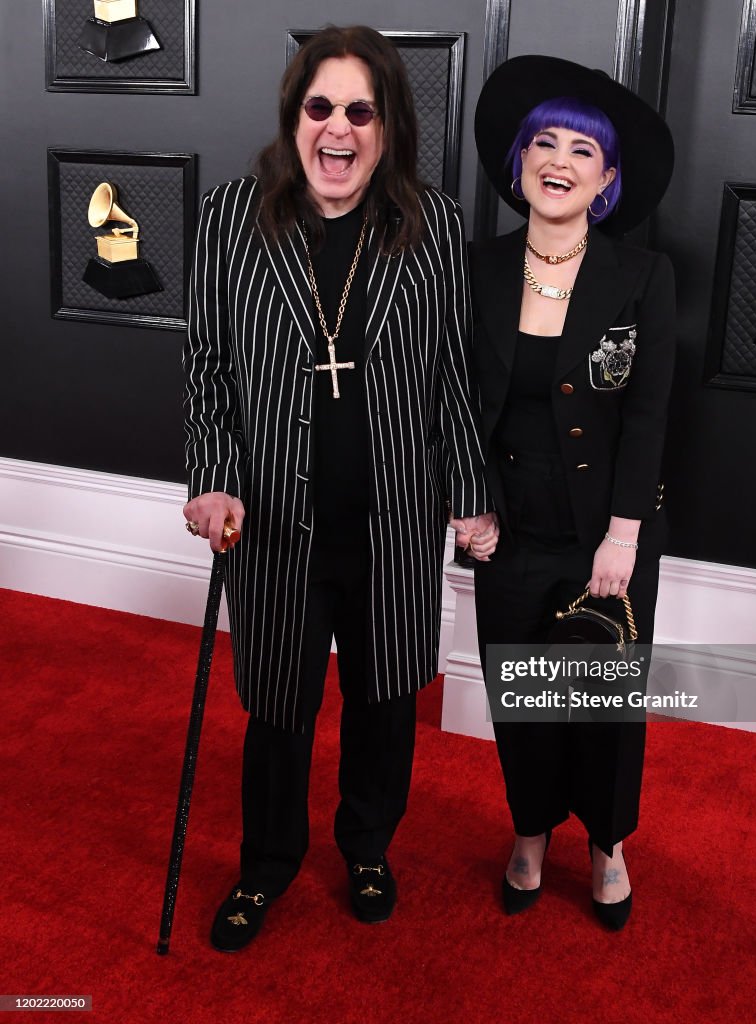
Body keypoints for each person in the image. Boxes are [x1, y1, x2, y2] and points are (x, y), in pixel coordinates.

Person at [182, 24, 497, 952]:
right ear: (294, 118)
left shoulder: (432, 224)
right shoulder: (233, 217)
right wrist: (212, 479)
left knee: (384, 699)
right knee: (279, 704)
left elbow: (450, 374)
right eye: (321, 107)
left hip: (393, 514)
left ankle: (366, 844)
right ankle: (267, 864)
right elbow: (205, 365)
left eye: (361, 110)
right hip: (274, 516)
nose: (339, 129)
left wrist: (469, 492)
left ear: (389, 126)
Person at [468, 55, 676, 929]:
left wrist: (623, 534)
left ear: (608, 180)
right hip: (507, 529)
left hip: (606, 533)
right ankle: (529, 831)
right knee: (520, 687)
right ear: (519, 164)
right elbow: (446, 400)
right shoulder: (474, 269)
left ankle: (606, 843)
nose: (559, 158)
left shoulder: (642, 276)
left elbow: (650, 415)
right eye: (543, 142)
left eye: (583, 149)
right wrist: (465, 502)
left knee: (600, 697)